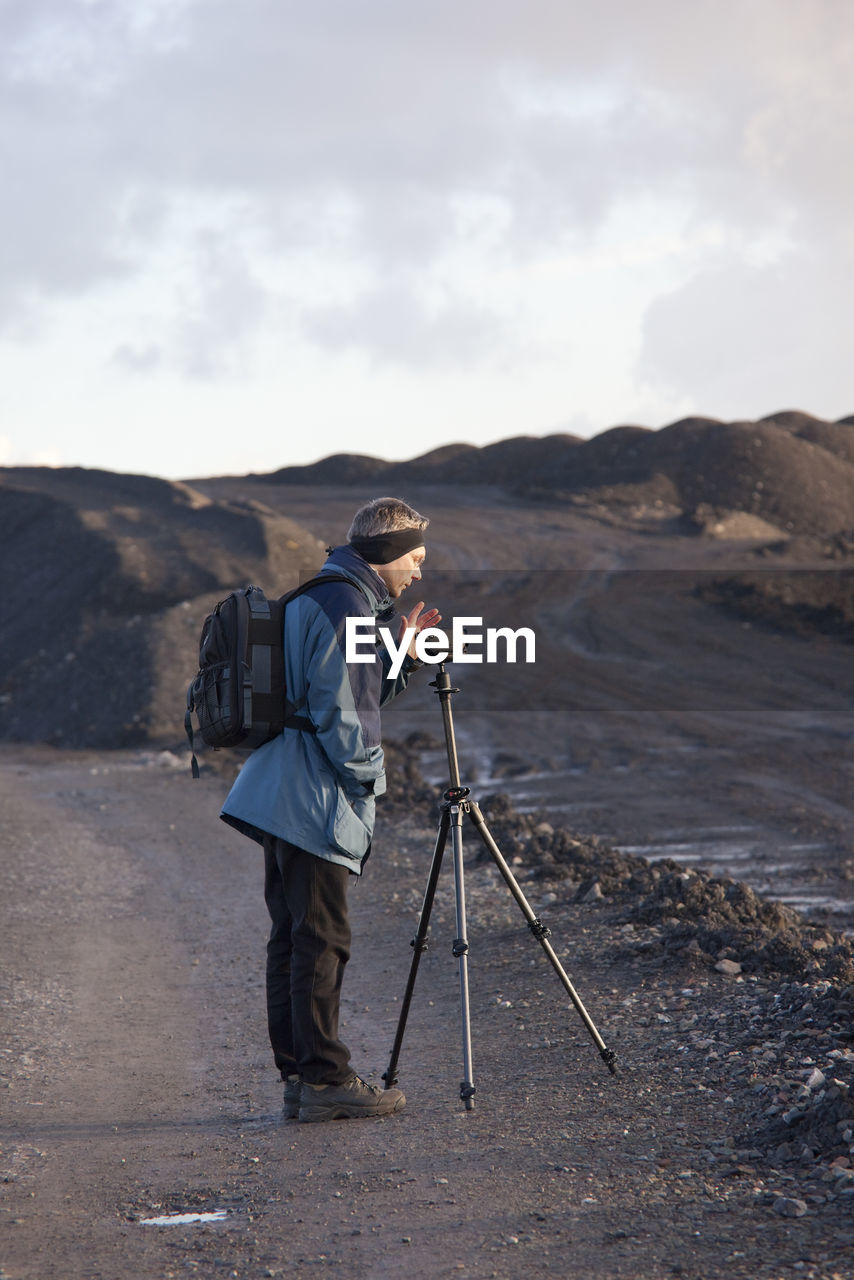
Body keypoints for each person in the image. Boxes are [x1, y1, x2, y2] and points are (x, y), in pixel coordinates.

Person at [220, 497, 439, 1123]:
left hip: (279, 786)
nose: (418, 573)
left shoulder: (320, 594)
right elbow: (343, 714)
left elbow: (349, 687)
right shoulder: (346, 603)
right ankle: (324, 1080)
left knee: (293, 937)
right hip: (311, 793)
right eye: (415, 559)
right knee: (322, 939)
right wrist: (370, 780)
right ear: (389, 555)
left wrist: (399, 655)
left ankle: (299, 1076)